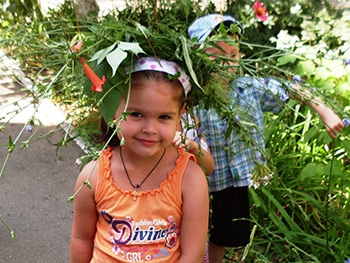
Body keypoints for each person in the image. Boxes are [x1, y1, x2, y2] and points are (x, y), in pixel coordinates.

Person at [187, 14, 345, 263]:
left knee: (225, 232)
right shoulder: (194, 98)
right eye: (217, 57)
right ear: (196, 58)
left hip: (235, 179)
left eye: (233, 56)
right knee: (196, 229)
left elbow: (291, 88)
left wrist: (324, 110)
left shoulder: (249, 87)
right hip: (201, 181)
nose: (227, 64)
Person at [70, 56, 209, 263]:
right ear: (112, 107)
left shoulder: (190, 178)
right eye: (136, 114)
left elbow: (192, 254)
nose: (150, 129)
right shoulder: (93, 176)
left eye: (164, 117)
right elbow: (81, 238)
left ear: (180, 114)